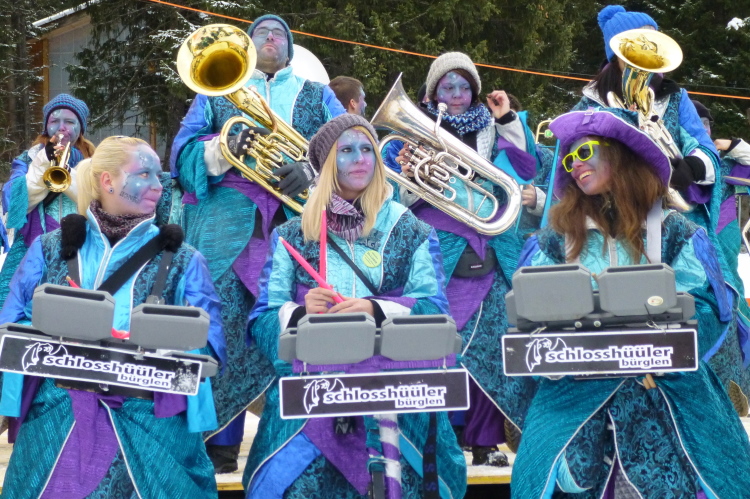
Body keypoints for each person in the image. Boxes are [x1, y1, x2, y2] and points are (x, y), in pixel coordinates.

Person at [513, 109, 750, 498]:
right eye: (569, 160)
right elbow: (526, 317)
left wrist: (662, 342)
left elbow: (709, 308)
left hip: (664, 393)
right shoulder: (552, 240)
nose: (575, 165)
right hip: (575, 399)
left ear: (620, 154)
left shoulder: (676, 232)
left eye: (584, 152)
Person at [244, 114, 466, 498]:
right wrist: (301, 313)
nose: (361, 158)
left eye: (367, 149)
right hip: (312, 400)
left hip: (396, 398)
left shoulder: (412, 229)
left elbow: (435, 310)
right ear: (327, 164)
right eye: (346, 150)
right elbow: (262, 320)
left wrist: (374, 309)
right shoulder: (291, 234)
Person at [0, 136, 225, 497]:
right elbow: (10, 330)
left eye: (159, 175)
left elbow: (211, 348)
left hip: (152, 427)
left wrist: (159, 345)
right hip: (58, 421)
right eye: (144, 174)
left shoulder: (185, 260)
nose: (158, 185)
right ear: (107, 180)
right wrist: (58, 339)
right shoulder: (48, 249)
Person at [169, 14, 347, 472]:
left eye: (279, 33)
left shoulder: (317, 94)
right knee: (221, 324)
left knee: (294, 324)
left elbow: (350, 142)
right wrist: (221, 147)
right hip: (226, 226)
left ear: (291, 47)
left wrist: (312, 168)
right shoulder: (214, 93)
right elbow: (181, 154)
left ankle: (300, 438)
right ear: (248, 46)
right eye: (261, 33)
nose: (270, 38)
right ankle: (218, 443)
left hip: (297, 225)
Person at [382, 52, 538, 465]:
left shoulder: (492, 127)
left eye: (465, 87)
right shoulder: (413, 128)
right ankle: (441, 435)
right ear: (433, 92)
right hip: (438, 246)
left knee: (493, 341)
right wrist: (410, 174)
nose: (456, 94)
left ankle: (485, 440)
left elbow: (527, 166)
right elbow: (395, 196)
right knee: (438, 341)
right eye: (448, 86)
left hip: (491, 242)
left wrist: (507, 120)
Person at [574, 5, 719, 210]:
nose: (646, 54)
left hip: (667, 210)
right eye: (636, 48)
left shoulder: (676, 98)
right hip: (605, 209)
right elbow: (569, 156)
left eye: (652, 46)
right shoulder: (589, 102)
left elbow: (706, 148)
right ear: (615, 55)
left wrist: (692, 167)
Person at [0, 94, 95, 308]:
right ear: (46, 126)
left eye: (69, 121)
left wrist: (67, 173)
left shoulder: (94, 161)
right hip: (33, 247)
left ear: (81, 128)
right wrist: (43, 163)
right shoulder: (28, 159)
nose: (61, 128)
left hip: (82, 248)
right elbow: (14, 204)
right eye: (55, 121)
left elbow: (97, 204)